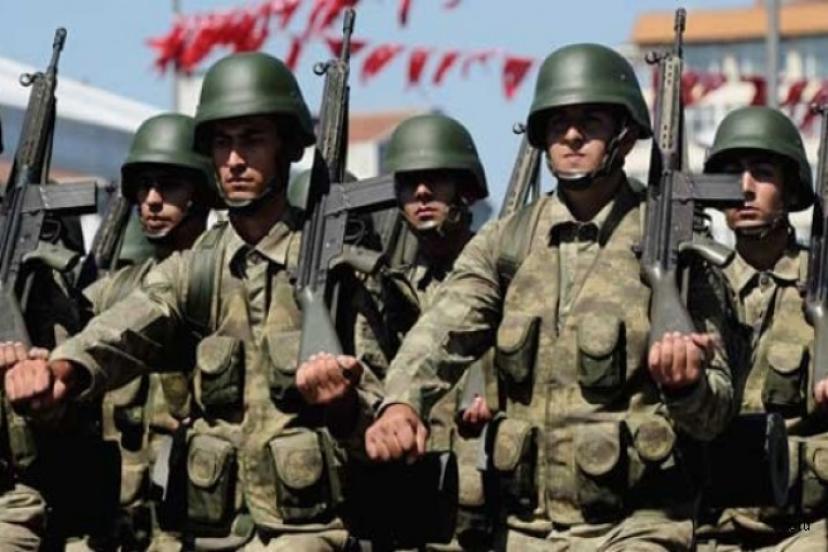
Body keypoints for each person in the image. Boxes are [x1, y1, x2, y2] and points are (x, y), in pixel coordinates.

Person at [363, 43, 738, 550]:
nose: (572, 136)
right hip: (525, 530)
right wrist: (401, 403)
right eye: (558, 122)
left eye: (591, 121)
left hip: (639, 526)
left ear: (626, 134)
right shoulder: (507, 242)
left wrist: (687, 385)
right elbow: (441, 331)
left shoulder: (674, 243)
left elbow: (716, 415)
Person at [3, 51, 380, 551]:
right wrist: (62, 370)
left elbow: (384, 408)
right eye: (222, 143)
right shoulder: (196, 267)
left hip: (310, 531)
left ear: (288, 147)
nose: (235, 160)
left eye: (252, 140)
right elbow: (124, 328)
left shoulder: (335, 271)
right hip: (210, 530)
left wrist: (347, 406)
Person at [354, 113, 497, 550]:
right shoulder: (388, 286)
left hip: (492, 496)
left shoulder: (505, 274)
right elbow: (370, 376)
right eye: (409, 182)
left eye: (435, 180)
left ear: (464, 189)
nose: (421, 193)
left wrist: (497, 395)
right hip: (410, 494)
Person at [77, 112, 217, 551]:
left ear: (201, 192)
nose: (152, 201)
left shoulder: (227, 278)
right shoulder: (121, 288)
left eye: (169, 186)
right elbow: (69, 322)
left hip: (206, 516)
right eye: (144, 187)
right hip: (129, 518)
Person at [696, 106, 827, 551]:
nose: (746, 188)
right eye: (733, 174)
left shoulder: (820, 283)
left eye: (763, 173)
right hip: (707, 528)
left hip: (803, 527)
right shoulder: (692, 284)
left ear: (790, 190)